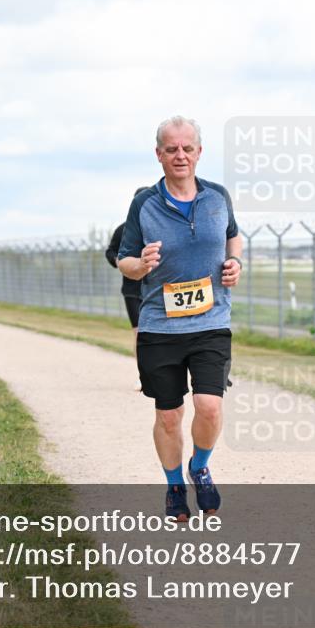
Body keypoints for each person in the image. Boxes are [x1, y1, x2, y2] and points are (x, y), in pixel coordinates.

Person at [118, 116, 242, 521]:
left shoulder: (217, 197)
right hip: (160, 325)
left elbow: (233, 235)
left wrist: (236, 261)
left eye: (187, 148)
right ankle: (174, 486)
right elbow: (125, 260)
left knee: (208, 406)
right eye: (171, 149)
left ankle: (199, 466)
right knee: (169, 416)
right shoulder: (145, 204)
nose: (180, 155)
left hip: (211, 321)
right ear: (159, 155)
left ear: (200, 152)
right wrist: (142, 264)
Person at [107, 187, 149, 391]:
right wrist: (121, 262)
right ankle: (143, 376)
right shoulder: (123, 230)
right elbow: (111, 251)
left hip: (157, 289)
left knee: (161, 334)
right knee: (140, 334)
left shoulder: (162, 227)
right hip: (132, 290)